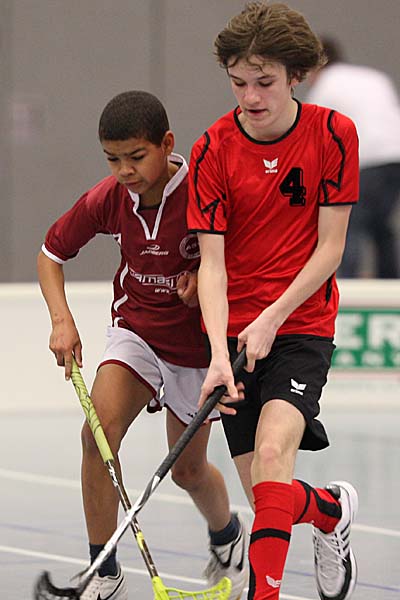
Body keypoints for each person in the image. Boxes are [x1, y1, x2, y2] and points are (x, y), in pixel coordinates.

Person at [37, 90, 247, 600]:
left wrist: (206, 281)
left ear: (167, 144)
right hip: (136, 334)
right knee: (97, 437)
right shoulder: (109, 198)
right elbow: (50, 253)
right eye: (112, 159)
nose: (124, 171)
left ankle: (227, 535)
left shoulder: (203, 190)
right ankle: (104, 572)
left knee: (188, 471)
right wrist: (62, 321)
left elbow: (242, 260)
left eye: (135, 157)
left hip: (196, 350)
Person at [187, 3, 359, 600]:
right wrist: (217, 353)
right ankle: (331, 511)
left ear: (296, 76)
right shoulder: (212, 148)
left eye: (264, 82)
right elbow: (211, 264)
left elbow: (331, 248)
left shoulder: (334, 134)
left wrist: (272, 317)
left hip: (302, 322)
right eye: (239, 83)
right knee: (268, 496)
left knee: (271, 453)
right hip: (234, 335)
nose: (250, 96)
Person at [307, 37, 400, 278]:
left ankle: (346, 281)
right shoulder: (374, 77)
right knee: (380, 224)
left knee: (349, 221)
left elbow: (313, 137)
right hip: (395, 157)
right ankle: (391, 281)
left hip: (368, 158)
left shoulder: (325, 86)